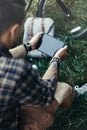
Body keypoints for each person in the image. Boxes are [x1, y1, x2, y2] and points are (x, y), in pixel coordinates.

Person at [0, 1, 87, 130]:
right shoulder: (16, 71)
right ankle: (76, 94)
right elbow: (46, 95)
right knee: (62, 90)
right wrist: (56, 59)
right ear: (13, 31)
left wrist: (28, 46)